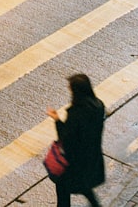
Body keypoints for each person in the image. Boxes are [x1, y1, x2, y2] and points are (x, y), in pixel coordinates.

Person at [46, 74, 106, 207]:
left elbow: (66, 137)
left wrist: (56, 119)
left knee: (62, 188)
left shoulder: (76, 112)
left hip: (74, 160)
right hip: (92, 156)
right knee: (84, 186)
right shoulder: (98, 105)